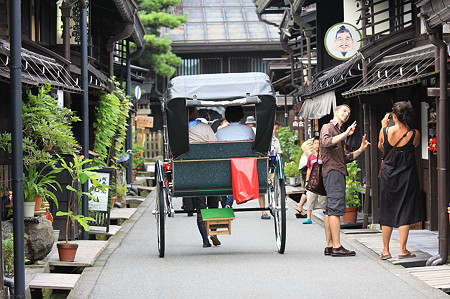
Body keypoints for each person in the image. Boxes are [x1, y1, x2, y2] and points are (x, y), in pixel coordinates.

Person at [320, 104, 369, 257]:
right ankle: (337, 246)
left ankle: (329, 245)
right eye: (343, 111)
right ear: (336, 112)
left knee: (330, 210)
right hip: (333, 172)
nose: (346, 114)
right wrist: (346, 133)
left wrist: (360, 149)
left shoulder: (339, 131)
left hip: (335, 170)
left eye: (348, 112)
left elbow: (345, 158)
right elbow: (326, 142)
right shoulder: (328, 127)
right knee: (335, 209)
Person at [378, 101, 424, 260]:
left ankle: (385, 250)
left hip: (389, 175)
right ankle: (402, 249)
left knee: (387, 208)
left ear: (394, 116)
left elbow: (381, 147)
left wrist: (383, 126)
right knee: (405, 209)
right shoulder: (414, 133)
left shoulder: (385, 131)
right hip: (407, 175)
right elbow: (415, 146)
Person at [186, 107, 220, 247]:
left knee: (200, 207)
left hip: (191, 171)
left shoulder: (177, 129)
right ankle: (213, 232)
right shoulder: (205, 128)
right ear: (194, 113)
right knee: (213, 203)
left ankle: (205, 240)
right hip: (210, 170)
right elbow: (214, 146)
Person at [302, 136, 327, 224]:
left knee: (323, 200)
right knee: (310, 199)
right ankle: (308, 218)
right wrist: (307, 181)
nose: (317, 146)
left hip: (322, 181)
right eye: (315, 144)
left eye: (319, 144)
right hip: (312, 181)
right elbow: (309, 169)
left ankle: (326, 218)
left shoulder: (325, 157)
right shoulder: (311, 156)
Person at [294, 138, 314, 218]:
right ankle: (299, 208)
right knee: (308, 188)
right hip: (308, 165)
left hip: (306, 164)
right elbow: (304, 146)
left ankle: (299, 208)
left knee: (308, 189)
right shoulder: (313, 141)